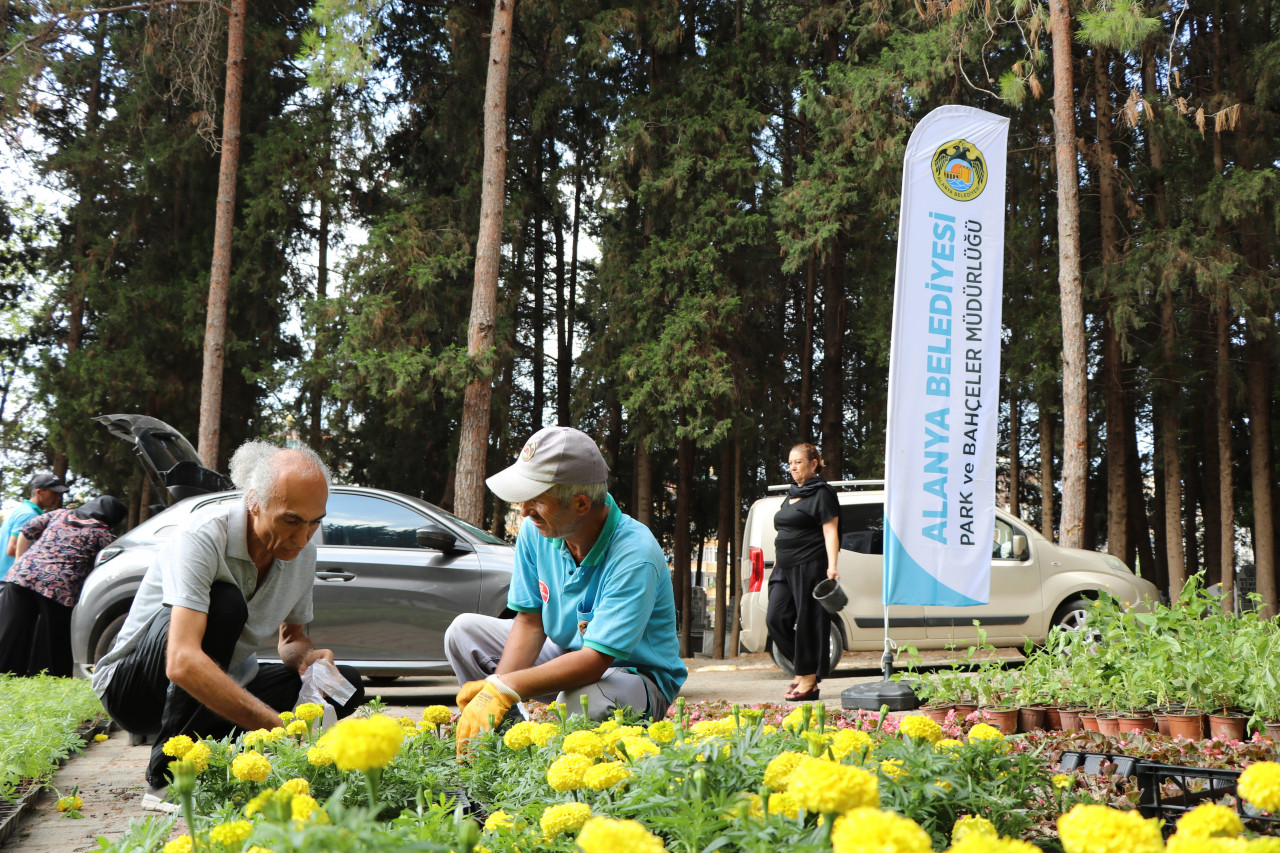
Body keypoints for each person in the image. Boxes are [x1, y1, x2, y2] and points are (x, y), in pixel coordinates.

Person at [91, 440, 365, 810]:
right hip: (136, 689)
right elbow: (182, 661)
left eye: (315, 522)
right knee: (226, 602)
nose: (302, 538)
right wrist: (273, 726)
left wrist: (307, 658)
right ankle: (169, 776)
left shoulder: (303, 554)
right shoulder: (202, 536)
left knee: (345, 685)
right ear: (254, 502)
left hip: (220, 684)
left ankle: (226, 756)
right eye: (291, 520)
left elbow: (292, 639)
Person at [445, 426, 686, 753]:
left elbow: (596, 660)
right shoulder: (539, 531)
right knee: (463, 632)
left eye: (536, 500)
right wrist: (496, 693)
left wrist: (507, 684)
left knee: (582, 700)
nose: (524, 512)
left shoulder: (634, 554)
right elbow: (530, 621)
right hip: (571, 652)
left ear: (581, 504)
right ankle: (500, 743)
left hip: (634, 677)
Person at [0, 495, 127, 677]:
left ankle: (6, 674)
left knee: (11, 632)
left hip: (22, 576)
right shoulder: (103, 534)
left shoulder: (58, 514)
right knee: (53, 638)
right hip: (58, 587)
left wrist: (20, 560)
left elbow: (26, 531)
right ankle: (48, 676)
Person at [766, 442, 840, 702]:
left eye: (798, 461)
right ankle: (803, 665)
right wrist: (777, 562)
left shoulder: (822, 493)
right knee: (775, 618)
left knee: (809, 621)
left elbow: (830, 531)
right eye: (790, 462)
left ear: (813, 464)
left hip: (810, 563)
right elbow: (784, 531)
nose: (793, 466)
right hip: (783, 566)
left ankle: (808, 679)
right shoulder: (792, 493)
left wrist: (832, 566)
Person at [0, 474, 68, 580]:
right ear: (39, 492)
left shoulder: (21, 510)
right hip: (9, 581)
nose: (58, 497)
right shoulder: (29, 515)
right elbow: (13, 549)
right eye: (54, 493)